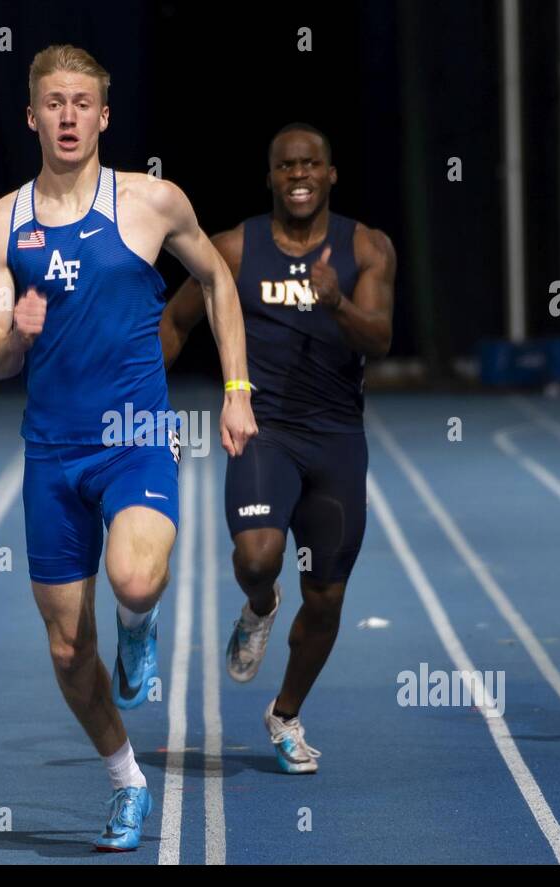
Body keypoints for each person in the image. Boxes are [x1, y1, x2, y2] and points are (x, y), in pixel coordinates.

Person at [0, 45, 255, 850]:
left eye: (81, 102)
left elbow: (218, 280)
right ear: (32, 116)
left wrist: (237, 391)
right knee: (67, 647)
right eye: (52, 103)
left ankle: (141, 621)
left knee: (136, 578)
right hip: (52, 454)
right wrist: (14, 335)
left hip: (135, 438)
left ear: (103, 114)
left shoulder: (151, 202)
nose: (67, 116)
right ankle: (126, 779)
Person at [160, 123, 394, 773]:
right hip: (266, 432)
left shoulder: (367, 246)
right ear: (270, 176)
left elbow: (378, 339)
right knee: (258, 557)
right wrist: (137, 398)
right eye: (286, 165)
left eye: (311, 163)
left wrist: (338, 302)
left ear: (330, 173)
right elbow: (177, 321)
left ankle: (285, 714)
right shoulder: (233, 249)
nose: (299, 174)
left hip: (338, 443)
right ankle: (260, 606)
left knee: (326, 598)